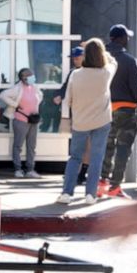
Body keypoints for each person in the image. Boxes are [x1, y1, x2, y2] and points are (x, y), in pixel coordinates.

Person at [57, 38, 117, 205]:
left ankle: (66, 193)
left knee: (75, 157)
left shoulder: (76, 74)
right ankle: (90, 194)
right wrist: (100, 50)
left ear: (85, 56)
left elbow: (67, 99)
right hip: (102, 121)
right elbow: (113, 61)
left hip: (80, 122)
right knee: (97, 158)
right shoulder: (106, 73)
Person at [98, 24, 137, 198]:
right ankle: (115, 187)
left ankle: (101, 183)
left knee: (105, 147)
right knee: (123, 149)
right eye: (127, 36)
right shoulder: (130, 61)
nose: (128, 39)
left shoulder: (101, 58)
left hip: (104, 108)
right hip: (126, 110)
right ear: (121, 38)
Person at [53, 46, 90, 184]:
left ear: (85, 57)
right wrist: (58, 95)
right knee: (78, 144)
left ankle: (82, 174)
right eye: (73, 58)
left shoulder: (93, 72)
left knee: (89, 145)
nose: (75, 60)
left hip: (92, 113)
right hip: (77, 113)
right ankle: (76, 173)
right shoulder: (73, 72)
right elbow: (65, 87)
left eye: (77, 57)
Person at [0, 68, 43, 178]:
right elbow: (3, 95)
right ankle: (18, 169)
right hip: (21, 120)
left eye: (31, 73)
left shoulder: (34, 87)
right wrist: (15, 104)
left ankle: (30, 169)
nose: (31, 76)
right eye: (28, 74)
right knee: (18, 146)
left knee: (31, 146)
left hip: (33, 120)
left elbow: (40, 96)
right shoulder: (17, 88)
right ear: (22, 78)